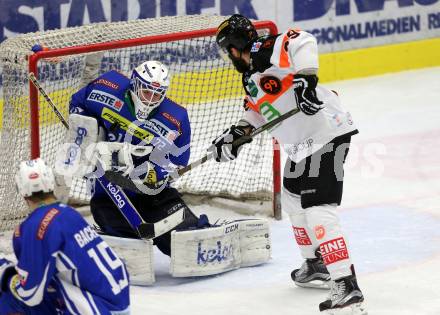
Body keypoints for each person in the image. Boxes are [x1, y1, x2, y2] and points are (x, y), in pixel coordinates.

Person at [211, 15, 366, 314]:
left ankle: (346, 284)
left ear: (232, 47)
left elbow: (303, 40)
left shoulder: (264, 49)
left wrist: (306, 80)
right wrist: (234, 137)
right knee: (294, 198)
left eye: (226, 51)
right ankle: (315, 263)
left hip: (326, 133)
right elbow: (257, 114)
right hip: (302, 146)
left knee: (318, 209)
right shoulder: (249, 78)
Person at [66, 60, 201, 256]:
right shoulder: (107, 86)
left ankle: (196, 234)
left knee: (184, 239)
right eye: (147, 92)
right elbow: (78, 103)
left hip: (151, 191)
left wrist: (158, 172)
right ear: (134, 84)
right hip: (109, 190)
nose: (150, 99)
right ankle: (126, 243)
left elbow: (178, 160)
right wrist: (87, 136)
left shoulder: (176, 119)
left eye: (157, 94)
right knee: (126, 238)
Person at [0, 158, 130, 314]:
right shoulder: (69, 213)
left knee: (7, 298)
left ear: (21, 190)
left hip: (96, 309)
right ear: (51, 183)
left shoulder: (34, 226)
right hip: (119, 304)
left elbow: (30, 294)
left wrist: (7, 276)